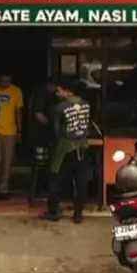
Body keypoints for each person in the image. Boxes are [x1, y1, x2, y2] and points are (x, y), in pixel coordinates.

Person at [40, 81, 92, 224]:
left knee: (56, 179)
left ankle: (53, 211)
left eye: (59, 90)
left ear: (68, 91)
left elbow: (56, 130)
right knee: (81, 181)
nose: (56, 94)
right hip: (83, 146)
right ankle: (78, 214)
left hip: (65, 147)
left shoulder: (59, 107)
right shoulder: (86, 104)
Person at [0, 72, 23, 199]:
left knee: (7, 162)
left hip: (10, 131)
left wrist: (19, 130)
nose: (5, 84)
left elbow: (18, 111)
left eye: (7, 81)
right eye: (2, 81)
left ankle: (3, 189)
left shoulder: (16, 91)